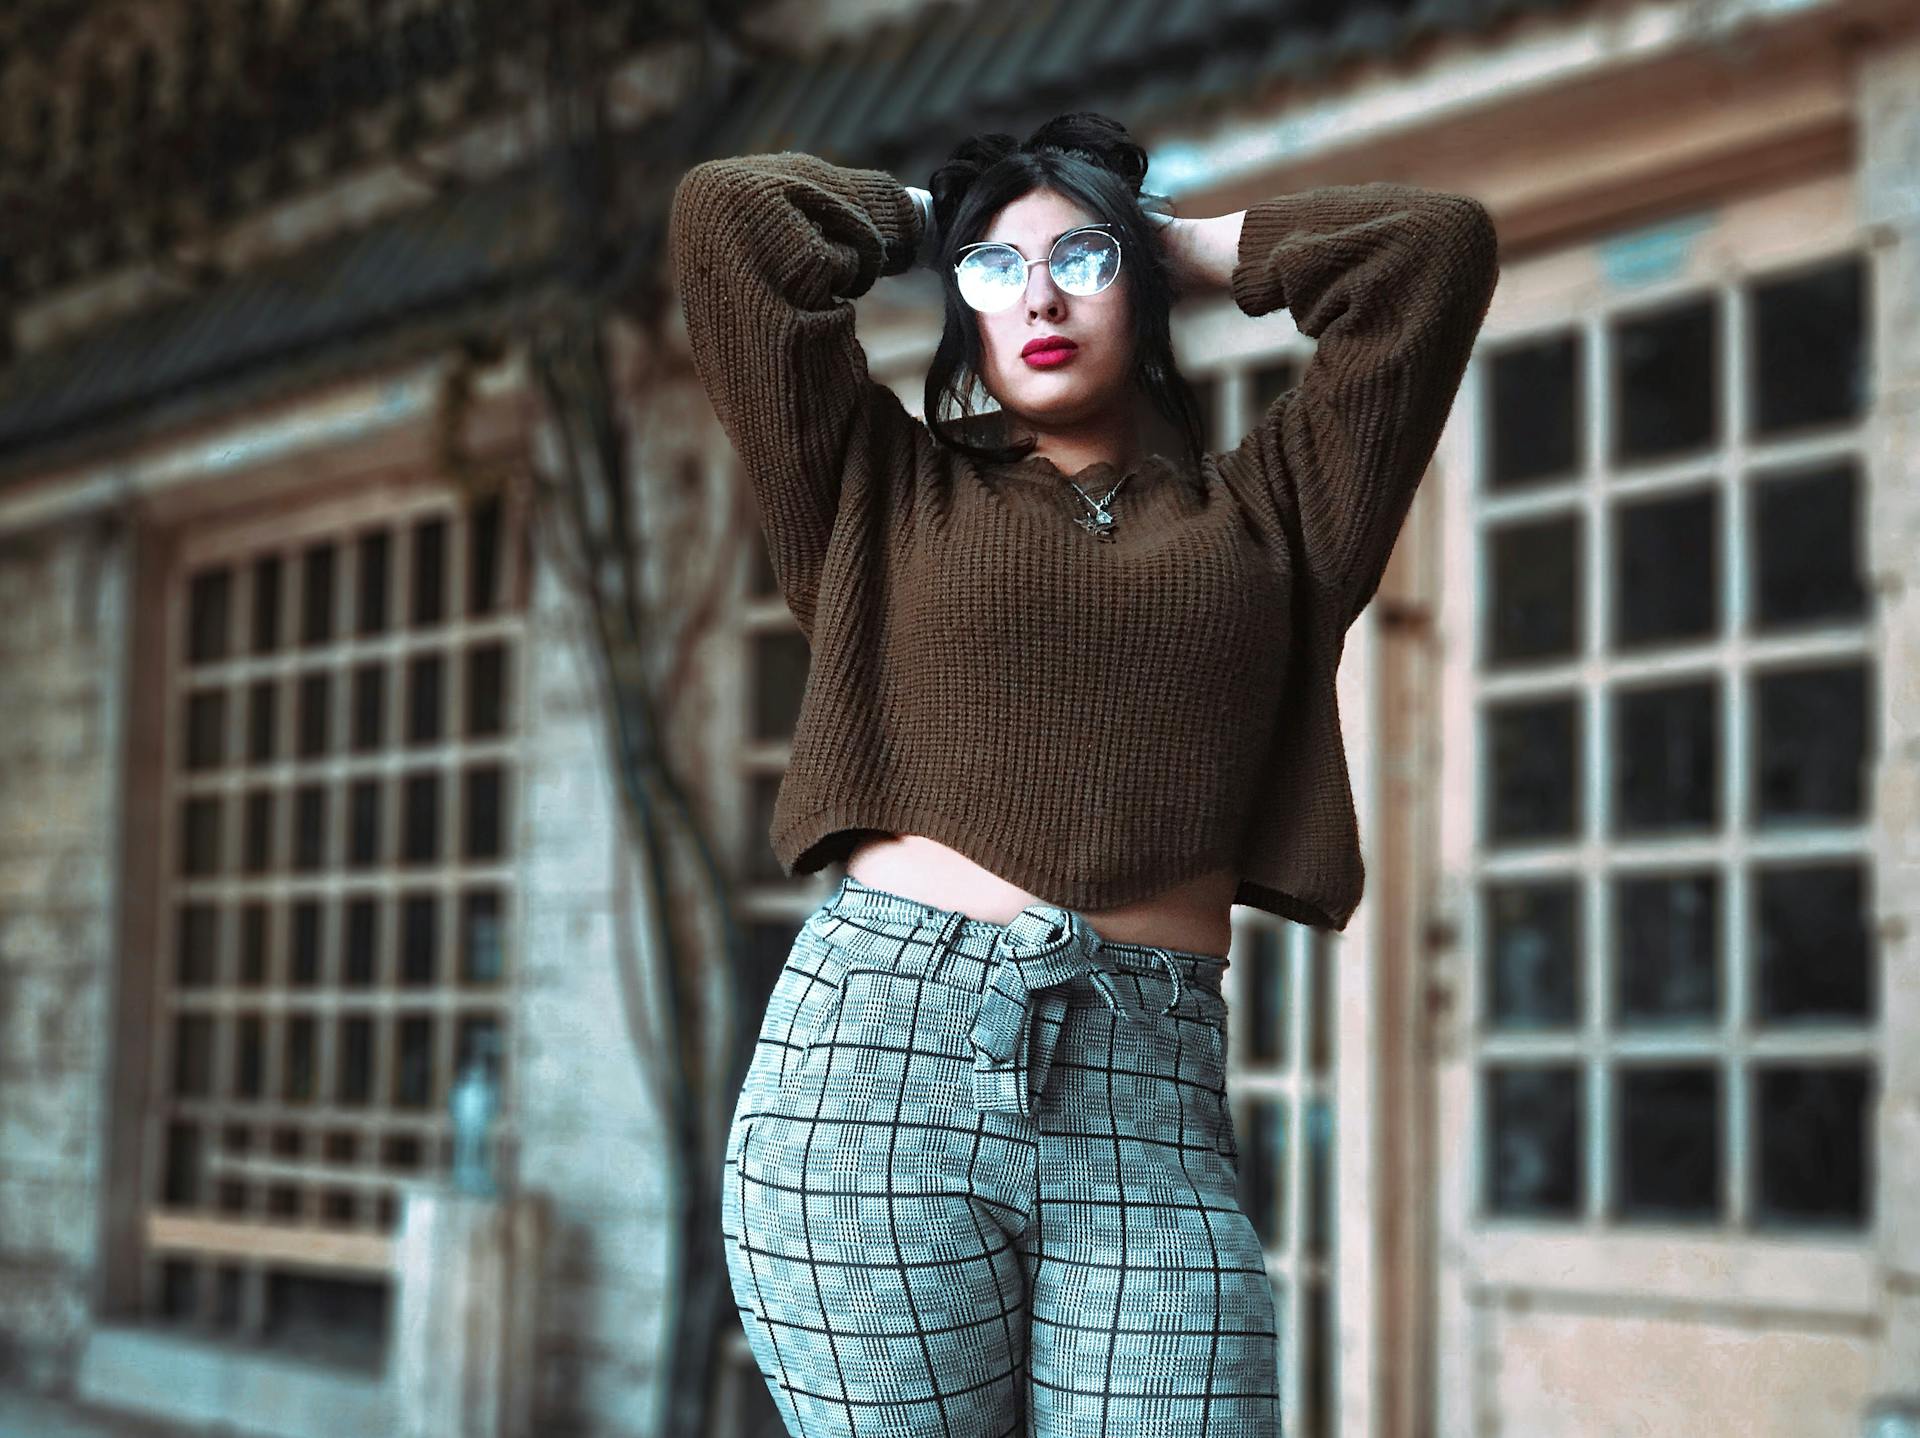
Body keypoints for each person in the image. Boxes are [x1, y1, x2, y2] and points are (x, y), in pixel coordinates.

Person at [669, 110, 1499, 1437]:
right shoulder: (875, 488)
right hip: (878, 1069)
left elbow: (1432, 255)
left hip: (1146, 1090)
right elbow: (733, 221)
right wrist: (946, 221)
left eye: (1082, 264)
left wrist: (1168, 238)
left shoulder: (1276, 517)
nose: (1040, 294)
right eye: (998, 274)